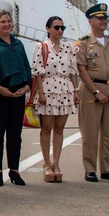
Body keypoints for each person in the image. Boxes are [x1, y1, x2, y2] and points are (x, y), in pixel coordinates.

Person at [75, 3, 109, 182]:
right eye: (100, 18)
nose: (104, 21)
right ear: (91, 21)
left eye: (105, 18)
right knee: (89, 132)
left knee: (108, 132)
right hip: (91, 90)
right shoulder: (83, 43)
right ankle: (90, 169)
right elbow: (82, 70)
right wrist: (96, 91)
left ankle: (108, 169)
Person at [28, 15, 78, 182]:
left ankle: (57, 163)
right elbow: (37, 71)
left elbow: (73, 71)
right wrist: (40, 93)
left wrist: (76, 91)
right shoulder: (41, 47)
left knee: (59, 128)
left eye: (62, 28)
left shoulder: (69, 47)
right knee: (47, 127)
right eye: (56, 27)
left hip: (65, 89)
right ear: (48, 29)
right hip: (48, 89)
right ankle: (47, 164)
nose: (60, 31)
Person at [0, 9, 31, 186]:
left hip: (18, 93)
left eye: (8, 21)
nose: (7, 24)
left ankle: (14, 170)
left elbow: (26, 67)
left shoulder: (18, 43)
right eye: (2, 22)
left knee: (15, 134)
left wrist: (27, 86)